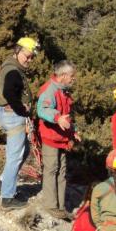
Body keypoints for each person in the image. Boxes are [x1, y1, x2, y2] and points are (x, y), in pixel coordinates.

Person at [0, 37, 39, 210]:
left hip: (8, 114)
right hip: (13, 116)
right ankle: (7, 198)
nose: (29, 60)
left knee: (24, 150)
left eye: (31, 58)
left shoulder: (10, 66)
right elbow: (9, 93)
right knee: (16, 155)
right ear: (17, 50)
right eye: (27, 56)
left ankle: (3, 182)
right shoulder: (13, 70)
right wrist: (22, 110)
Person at [37, 60, 81, 219]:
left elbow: (66, 116)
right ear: (63, 76)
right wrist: (57, 118)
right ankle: (50, 206)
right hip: (50, 138)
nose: (73, 79)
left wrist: (73, 131)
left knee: (61, 172)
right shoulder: (50, 90)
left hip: (62, 138)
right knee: (51, 170)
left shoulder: (64, 90)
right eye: (72, 76)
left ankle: (60, 207)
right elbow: (42, 110)